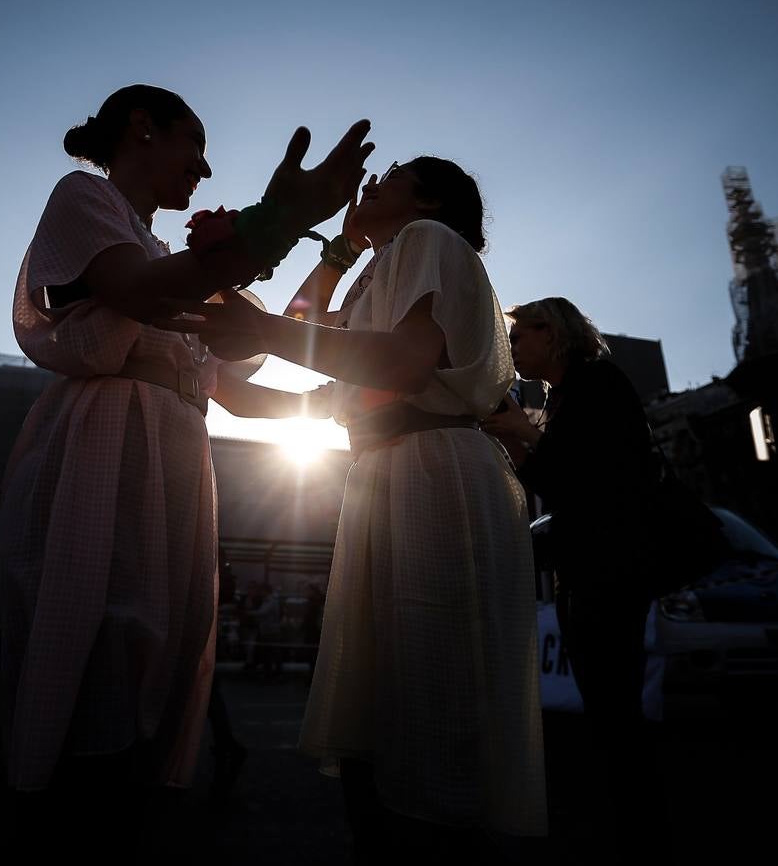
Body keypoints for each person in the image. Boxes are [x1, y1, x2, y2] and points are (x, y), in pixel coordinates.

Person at [0, 83, 371, 854]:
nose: (203, 169)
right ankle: (70, 815)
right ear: (142, 129)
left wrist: (341, 398)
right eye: (193, 146)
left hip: (171, 452)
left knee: (161, 643)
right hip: (107, 438)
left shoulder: (165, 253)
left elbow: (240, 376)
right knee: (100, 631)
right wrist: (281, 218)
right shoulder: (83, 198)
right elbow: (135, 291)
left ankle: (119, 809)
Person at [158, 156, 548, 855]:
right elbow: (300, 331)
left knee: (430, 690)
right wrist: (329, 256)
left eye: (391, 175)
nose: (372, 183)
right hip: (389, 471)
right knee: (395, 696)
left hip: (430, 470)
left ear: (428, 199)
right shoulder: (382, 268)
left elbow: (387, 363)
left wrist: (259, 330)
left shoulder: (428, 240)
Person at [483, 296, 665, 858]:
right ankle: (620, 809)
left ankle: (633, 820)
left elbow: (603, 471)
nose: (514, 348)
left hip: (612, 565)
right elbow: (553, 479)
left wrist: (526, 433)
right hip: (583, 565)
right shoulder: (558, 397)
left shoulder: (599, 383)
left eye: (521, 337)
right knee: (601, 693)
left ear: (551, 332)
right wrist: (516, 434)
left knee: (614, 697)